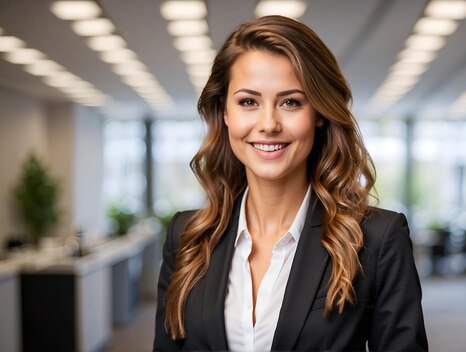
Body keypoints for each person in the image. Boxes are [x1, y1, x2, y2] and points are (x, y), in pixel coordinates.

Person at [153, 15, 428, 351]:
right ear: (225, 113)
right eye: (248, 102)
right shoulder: (187, 236)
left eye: (290, 102)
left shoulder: (377, 239)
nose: (268, 124)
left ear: (320, 114)